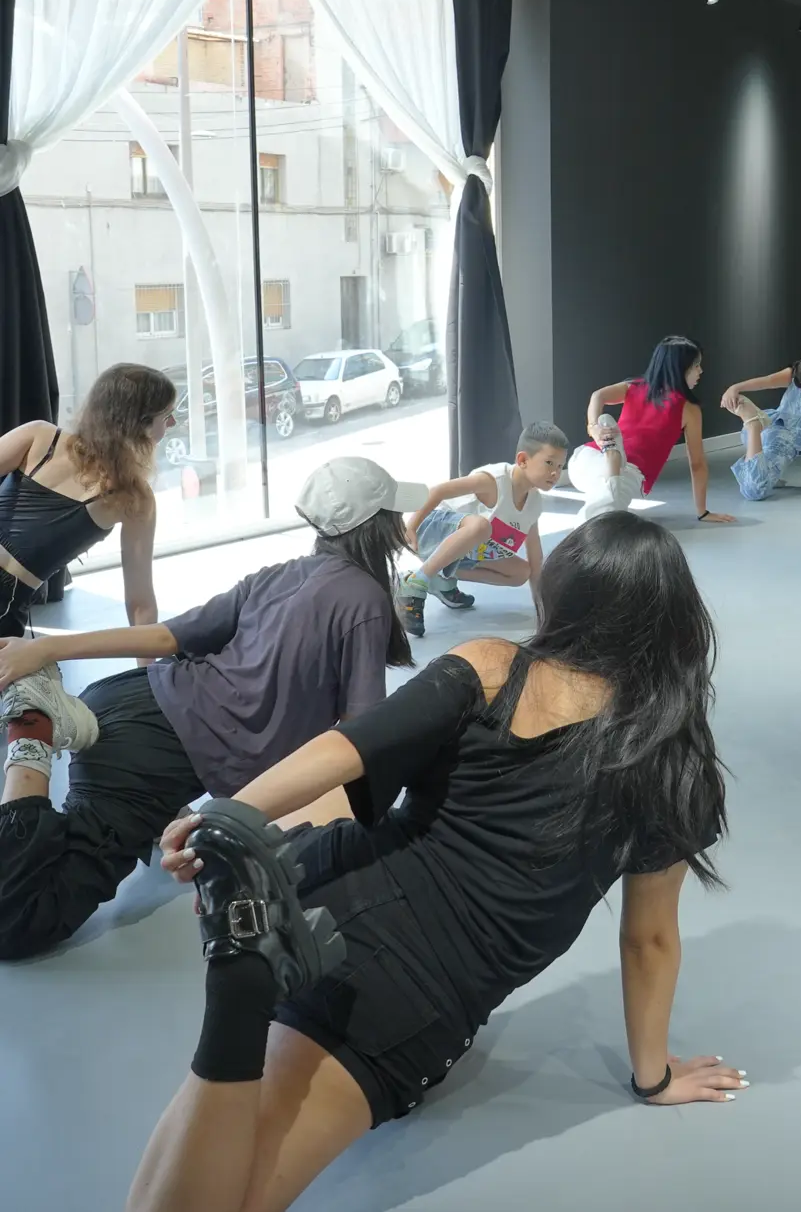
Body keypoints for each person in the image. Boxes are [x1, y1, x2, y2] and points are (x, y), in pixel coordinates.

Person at [123, 513, 746, 1212]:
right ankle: (238, 1001)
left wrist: (228, 813)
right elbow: (650, 940)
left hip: (335, 881)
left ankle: (255, 941)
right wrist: (653, 1078)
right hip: (410, 990)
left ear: (561, 596)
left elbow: (346, 749)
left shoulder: (492, 666)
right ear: (675, 624)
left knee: (347, 809)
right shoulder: (677, 766)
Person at [0, 457, 424, 960]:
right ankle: (30, 735)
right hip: (151, 754)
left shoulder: (279, 575)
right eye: (395, 512)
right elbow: (357, 736)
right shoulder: (366, 599)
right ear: (377, 526)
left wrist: (49, 648)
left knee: (65, 848)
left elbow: (166, 636)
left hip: (132, 697)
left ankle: (140, 796)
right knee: (22, 920)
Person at [0, 363, 175, 640]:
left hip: (7, 614)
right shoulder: (134, 497)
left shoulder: (41, 436)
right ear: (138, 424)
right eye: (167, 416)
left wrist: (145, 677)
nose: (172, 424)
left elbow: (140, 605)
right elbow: (140, 604)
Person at [396, 423, 568, 638]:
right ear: (523, 460)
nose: (555, 472)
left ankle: (440, 580)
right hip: (433, 529)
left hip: (465, 551)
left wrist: (542, 612)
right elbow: (438, 491)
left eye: (560, 466)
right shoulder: (493, 480)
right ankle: (414, 583)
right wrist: (411, 527)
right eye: (549, 462)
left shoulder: (533, 503)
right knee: (481, 526)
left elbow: (535, 558)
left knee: (521, 572)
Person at [567, 335, 735, 525]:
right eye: (696, 365)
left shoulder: (634, 387)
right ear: (680, 368)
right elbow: (697, 464)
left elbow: (598, 395)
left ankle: (613, 457)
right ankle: (614, 463)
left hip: (584, 461)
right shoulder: (688, 409)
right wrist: (702, 512)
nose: (700, 371)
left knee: (608, 492)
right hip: (629, 472)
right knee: (611, 504)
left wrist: (594, 427)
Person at [719, 334, 801, 501]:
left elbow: (766, 381)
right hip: (785, 439)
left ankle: (757, 434)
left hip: (770, 425)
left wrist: (735, 388)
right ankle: (752, 423)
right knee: (755, 491)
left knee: (764, 469)